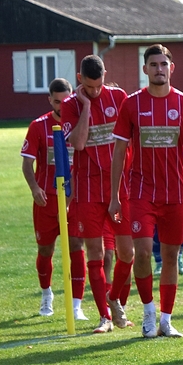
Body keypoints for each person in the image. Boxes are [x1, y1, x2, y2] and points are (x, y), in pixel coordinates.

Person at [109, 45, 183, 339]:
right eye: (153, 64)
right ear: (145, 69)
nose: (159, 69)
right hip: (141, 193)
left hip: (175, 193)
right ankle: (148, 312)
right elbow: (119, 152)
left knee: (171, 256)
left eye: (163, 64)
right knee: (143, 253)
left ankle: (166, 319)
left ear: (171, 68)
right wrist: (114, 195)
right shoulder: (132, 104)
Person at [61, 55, 136, 334]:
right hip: (87, 189)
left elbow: (133, 138)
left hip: (119, 187)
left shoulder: (119, 97)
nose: (94, 91)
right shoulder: (70, 105)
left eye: (99, 85)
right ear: (80, 79)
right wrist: (86, 106)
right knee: (95, 252)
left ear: (106, 74)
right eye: (89, 87)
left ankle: (115, 299)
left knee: (127, 253)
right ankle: (104, 317)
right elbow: (79, 143)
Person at [22, 78, 85, 317]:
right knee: (45, 249)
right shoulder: (38, 126)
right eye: (57, 101)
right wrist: (34, 188)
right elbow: (27, 163)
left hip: (75, 198)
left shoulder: (80, 125)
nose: (61, 106)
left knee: (77, 246)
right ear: (50, 100)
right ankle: (46, 293)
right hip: (46, 200)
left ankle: (76, 305)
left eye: (65, 101)